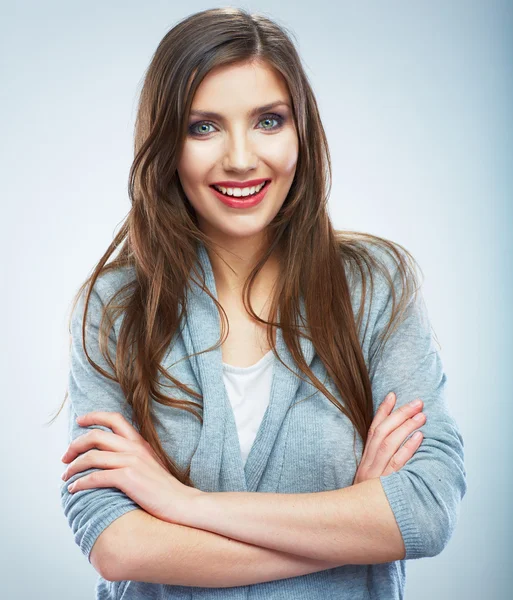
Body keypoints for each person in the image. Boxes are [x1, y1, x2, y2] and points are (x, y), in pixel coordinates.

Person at [55, 7, 467, 599]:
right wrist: (352, 523)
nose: (242, 158)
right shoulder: (116, 306)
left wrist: (179, 504)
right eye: (204, 127)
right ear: (166, 143)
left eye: (269, 121)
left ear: (302, 130)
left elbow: (426, 510)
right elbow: (117, 545)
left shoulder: (377, 286)